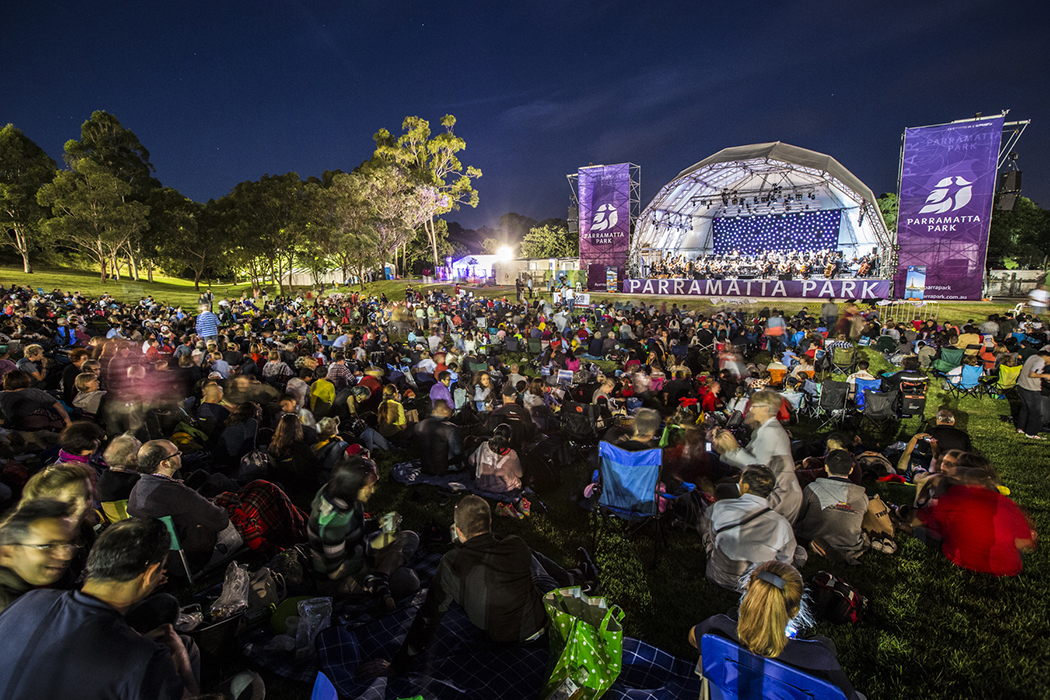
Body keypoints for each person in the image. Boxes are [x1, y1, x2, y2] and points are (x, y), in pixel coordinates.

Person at [0, 518, 200, 700]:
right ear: (148, 575)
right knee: (185, 647)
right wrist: (181, 660)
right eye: (161, 568)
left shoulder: (32, 599)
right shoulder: (146, 660)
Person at [382, 495, 577, 674]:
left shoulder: (451, 562)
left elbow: (428, 617)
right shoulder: (515, 545)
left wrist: (397, 664)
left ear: (458, 531)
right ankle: (570, 579)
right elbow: (496, 544)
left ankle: (570, 577)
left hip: (500, 639)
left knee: (535, 568)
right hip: (540, 626)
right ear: (490, 522)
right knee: (533, 560)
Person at [689, 561, 863, 700]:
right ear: (794, 611)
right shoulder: (819, 659)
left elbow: (693, 637)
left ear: (748, 592)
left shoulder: (716, 628)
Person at [307, 458, 419, 609]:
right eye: (368, 487)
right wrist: (373, 549)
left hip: (355, 551)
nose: (372, 491)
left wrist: (378, 523)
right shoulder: (334, 523)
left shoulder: (339, 492)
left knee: (410, 537)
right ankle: (381, 576)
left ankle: (380, 577)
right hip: (338, 580)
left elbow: (353, 528)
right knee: (408, 580)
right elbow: (334, 572)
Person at [127, 440, 239, 571]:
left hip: (162, 557)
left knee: (203, 476)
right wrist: (212, 505)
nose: (180, 454)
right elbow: (220, 521)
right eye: (176, 453)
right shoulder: (176, 493)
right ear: (164, 463)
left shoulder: (138, 488)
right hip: (190, 559)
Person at [915, 466, 1036, 576]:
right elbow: (1025, 542)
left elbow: (929, 522)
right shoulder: (1008, 504)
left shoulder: (955, 497)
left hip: (963, 560)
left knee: (924, 532)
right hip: (1008, 569)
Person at [700, 465, 805, 590]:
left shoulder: (719, 507)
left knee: (708, 535)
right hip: (756, 585)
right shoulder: (782, 524)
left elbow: (713, 539)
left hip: (718, 577)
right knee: (800, 552)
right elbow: (784, 561)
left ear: (745, 486)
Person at [712, 390, 803, 523]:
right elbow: (747, 457)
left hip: (778, 494)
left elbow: (758, 467)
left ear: (765, 409)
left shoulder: (771, 432)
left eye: (755, 406)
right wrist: (725, 449)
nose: (751, 409)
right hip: (772, 489)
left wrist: (731, 448)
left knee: (723, 490)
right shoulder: (764, 429)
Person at [0, 499, 78, 612]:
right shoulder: (9, 611)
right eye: (47, 546)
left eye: (69, 543)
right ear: (7, 554)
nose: (66, 555)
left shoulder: (54, 581)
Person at [793, 450, 869, 563]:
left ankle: (820, 545)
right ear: (851, 470)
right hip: (850, 544)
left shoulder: (813, 488)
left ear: (826, 468)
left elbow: (799, 514)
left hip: (812, 536)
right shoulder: (862, 496)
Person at [469, 423, 523, 496]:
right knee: (517, 480)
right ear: (509, 439)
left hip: (481, 486)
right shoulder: (512, 454)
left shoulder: (483, 445)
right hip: (503, 489)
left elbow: (471, 461)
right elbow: (520, 474)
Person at [1015, 350, 1050, 439]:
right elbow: (1032, 374)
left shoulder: (1032, 357)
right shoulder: (1040, 361)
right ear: (1047, 357)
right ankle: (1032, 433)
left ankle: (1021, 428)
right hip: (1031, 389)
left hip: (1021, 385)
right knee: (1036, 412)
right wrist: (1045, 376)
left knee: (1025, 409)